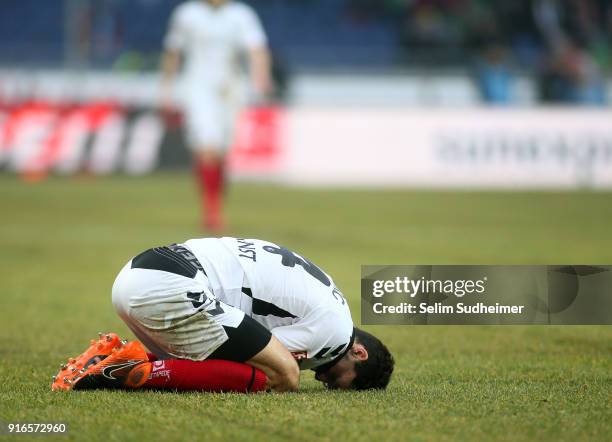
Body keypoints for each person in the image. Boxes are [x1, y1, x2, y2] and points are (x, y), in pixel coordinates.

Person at [51, 237, 394, 392]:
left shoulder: (335, 303)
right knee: (281, 376)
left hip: (142, 272)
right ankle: (122, 372)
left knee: (233, 349)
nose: (322, 381)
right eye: (338, 382)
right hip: (168, 286)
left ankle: (117, 355)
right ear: (358, 352)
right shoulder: (333, 335)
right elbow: (265, 364)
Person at [160, 0, 272, 231]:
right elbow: (173, 52)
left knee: (221, 152)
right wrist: (166, 90)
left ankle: (216, 204)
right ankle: (211, 210)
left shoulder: (241, 14)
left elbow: (257, 49)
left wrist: (261, 79)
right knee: (207, 146)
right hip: (197, 86)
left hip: (231, 88)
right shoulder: (187, 14)